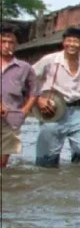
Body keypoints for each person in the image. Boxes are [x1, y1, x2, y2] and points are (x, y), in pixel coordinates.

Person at [32, 27, 80, 167]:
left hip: (77, 110)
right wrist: (38, 99)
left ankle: (75, 182)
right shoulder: (50, 60)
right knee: (48, 157)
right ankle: (49, 182)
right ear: (63, 42)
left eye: (76, 41)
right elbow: (28, 78)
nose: (72, 44)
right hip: (52, 109)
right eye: (69, 40)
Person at [0, 26, 37, 168]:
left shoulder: (25, 68)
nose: (7, 45)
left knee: (2, 163)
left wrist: (25, 110)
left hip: (11, 118)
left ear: (16, 45)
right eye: (3, 41)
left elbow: (34, 91)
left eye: (11, 42)